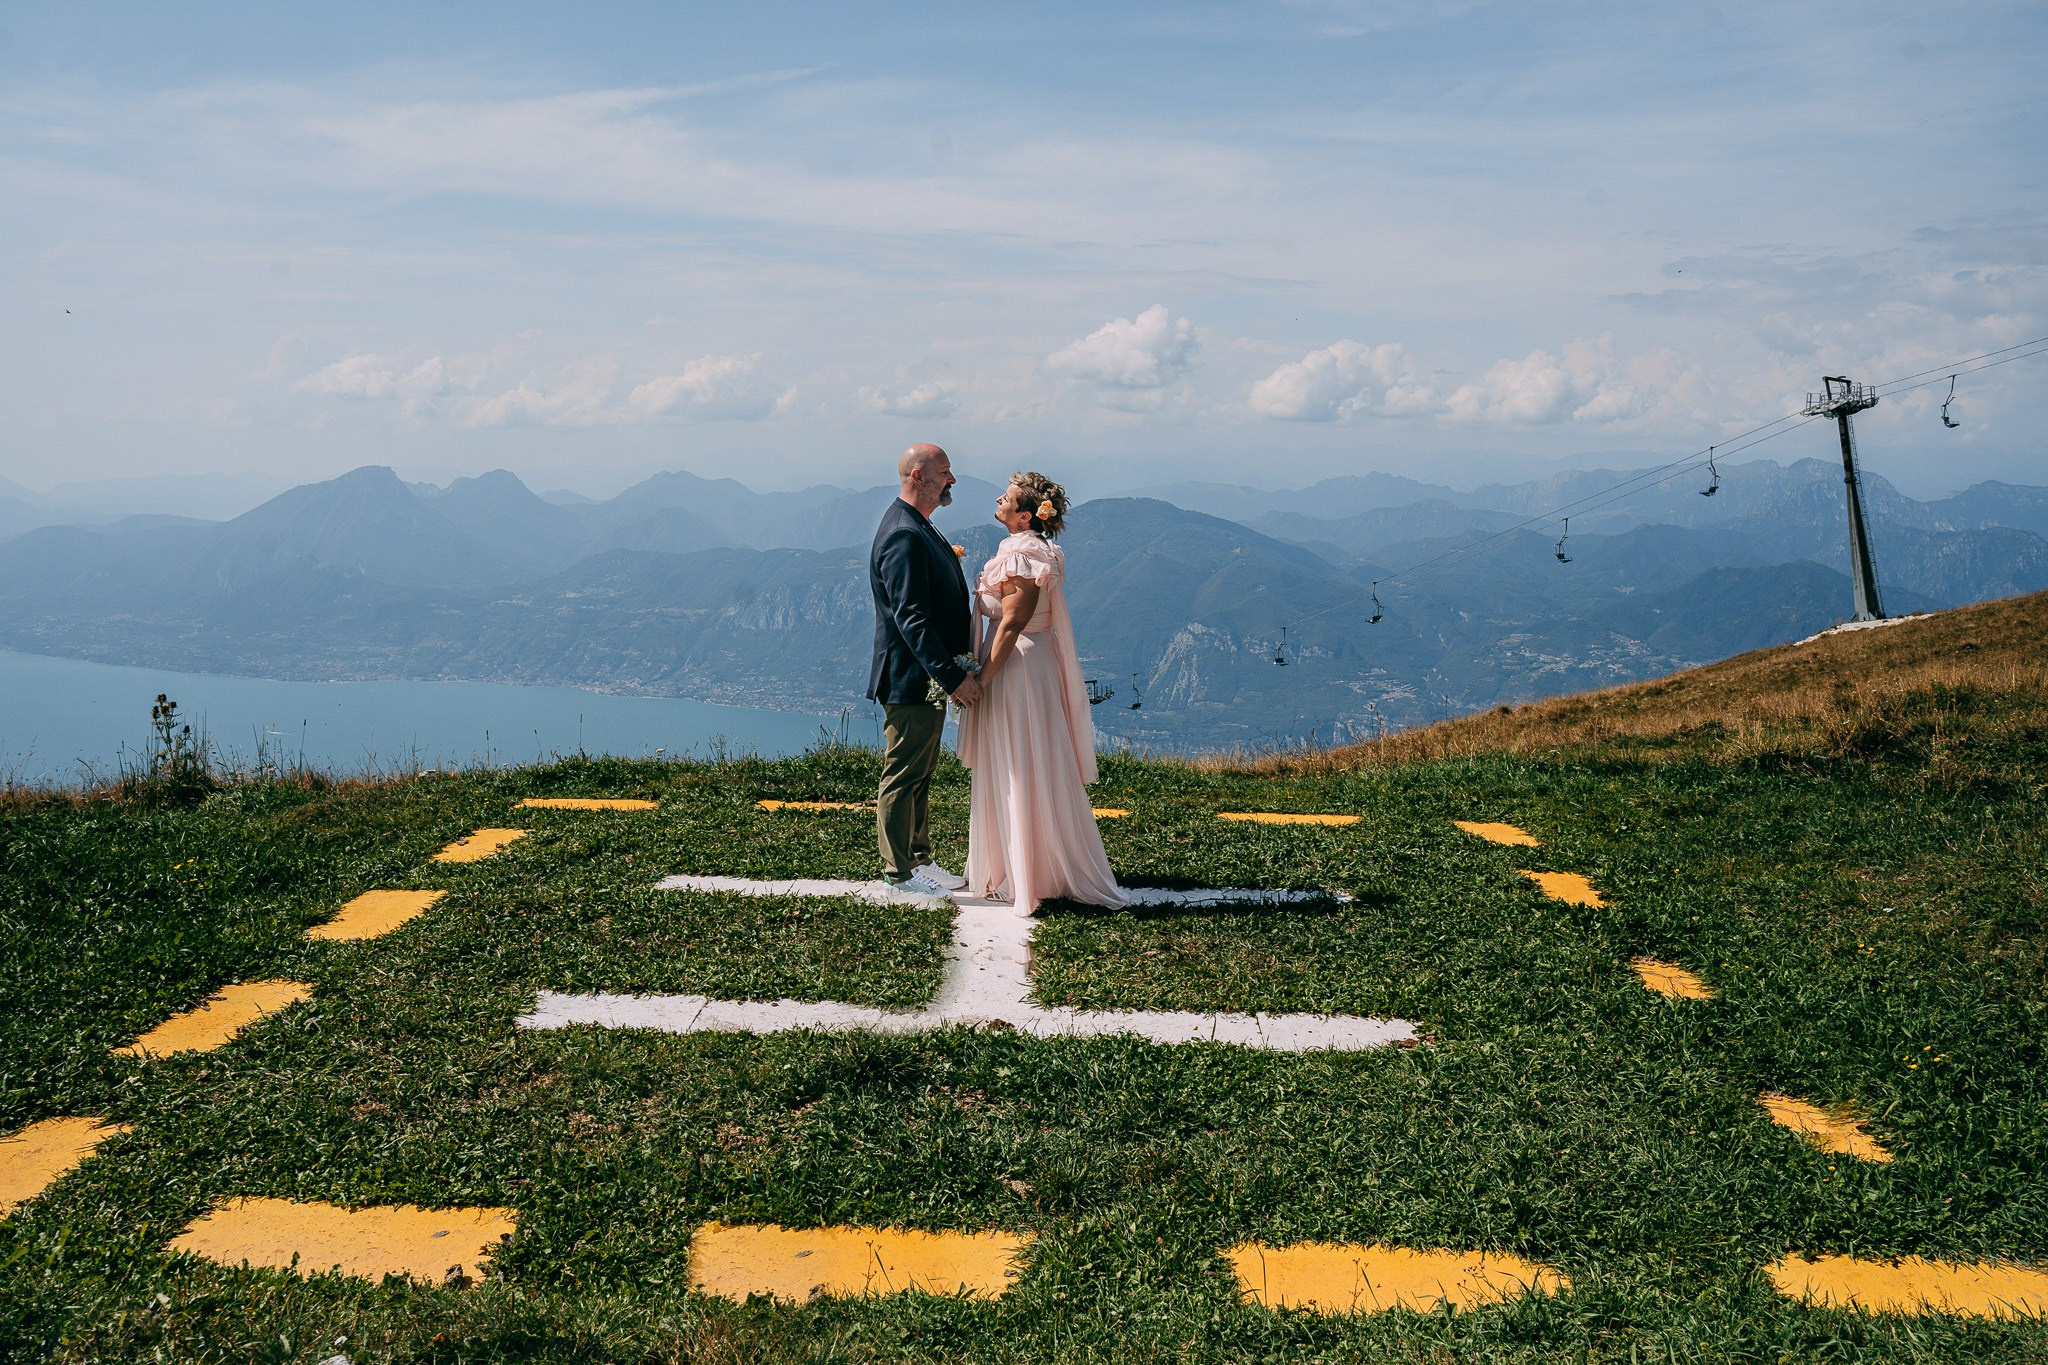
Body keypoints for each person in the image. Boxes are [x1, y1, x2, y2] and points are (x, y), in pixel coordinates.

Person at [958, 472, 1126, 913]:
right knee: (1029, 757)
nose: (998, 498)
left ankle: (1025, 870)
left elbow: (1012, 622)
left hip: (1016, 668)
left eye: (1007, 497)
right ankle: (1032, 862)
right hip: (1030, 663)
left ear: (1025, 516)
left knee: (1019, 759)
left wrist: (980, 678)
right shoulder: (1039, 549)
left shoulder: (1020, 552)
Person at [867, 443, 981, 898]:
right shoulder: (904, 534)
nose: (951, 480)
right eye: (945, 472)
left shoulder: (918, 527)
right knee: (904, 771)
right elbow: (910, 617)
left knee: (920, 770)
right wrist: (951, 678)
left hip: (922, 677)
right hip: (911, 677)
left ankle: (920, 860)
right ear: (919, 475)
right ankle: (900, 873)